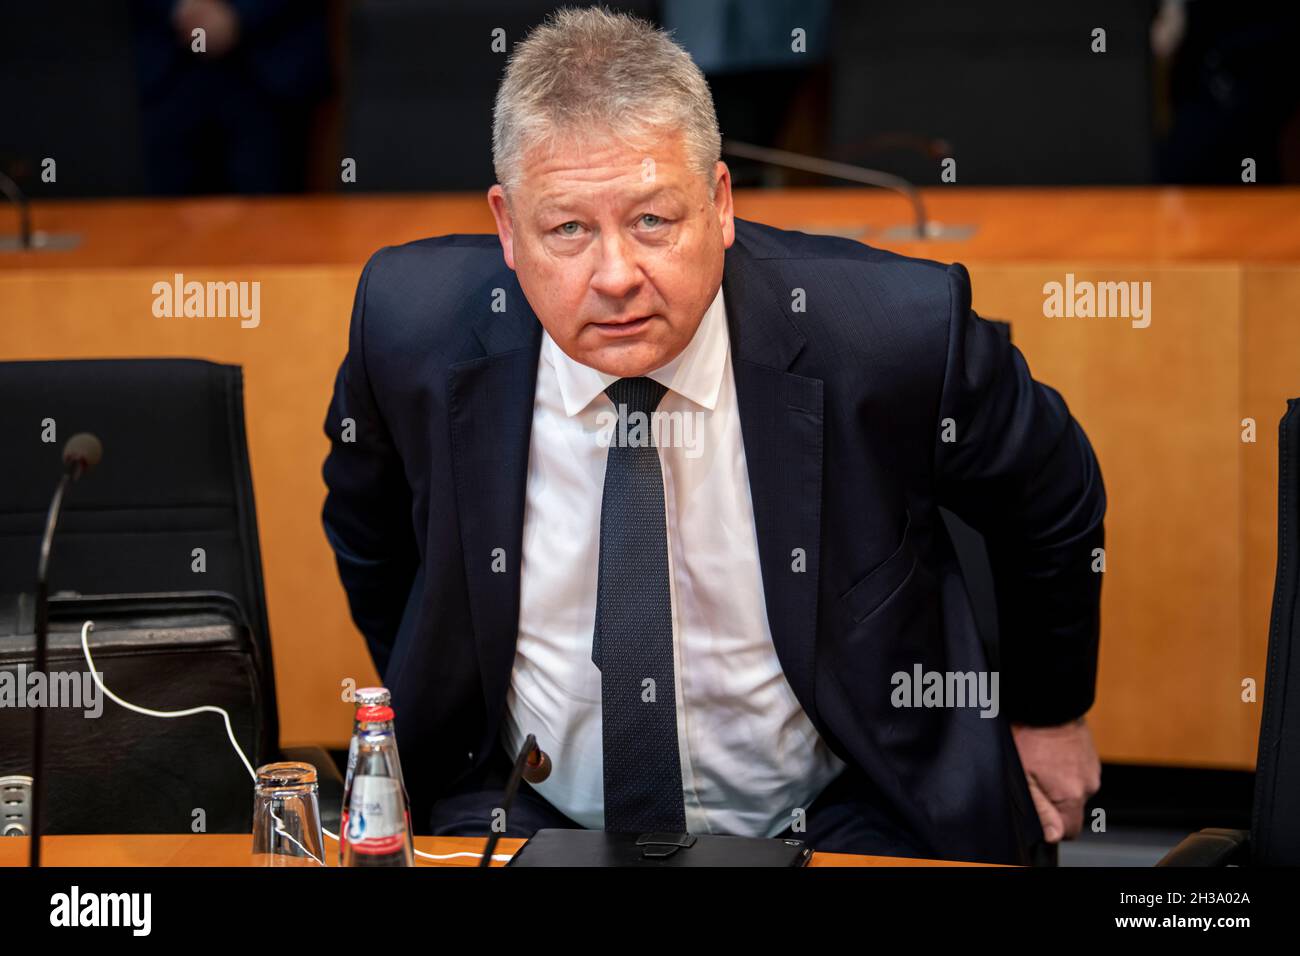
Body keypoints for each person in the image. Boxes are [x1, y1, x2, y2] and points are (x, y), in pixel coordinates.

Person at [321, 7, 1104, 865]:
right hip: (522, 805)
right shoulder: (410, 327)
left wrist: (1049, 714)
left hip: (851, 803)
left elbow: (1053, 499)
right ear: (507, 228)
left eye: (654, 220)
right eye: (568, 230)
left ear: (721, 204)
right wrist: (446, 691)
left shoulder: (895, 331)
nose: (616, 276)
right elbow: (373, 535)